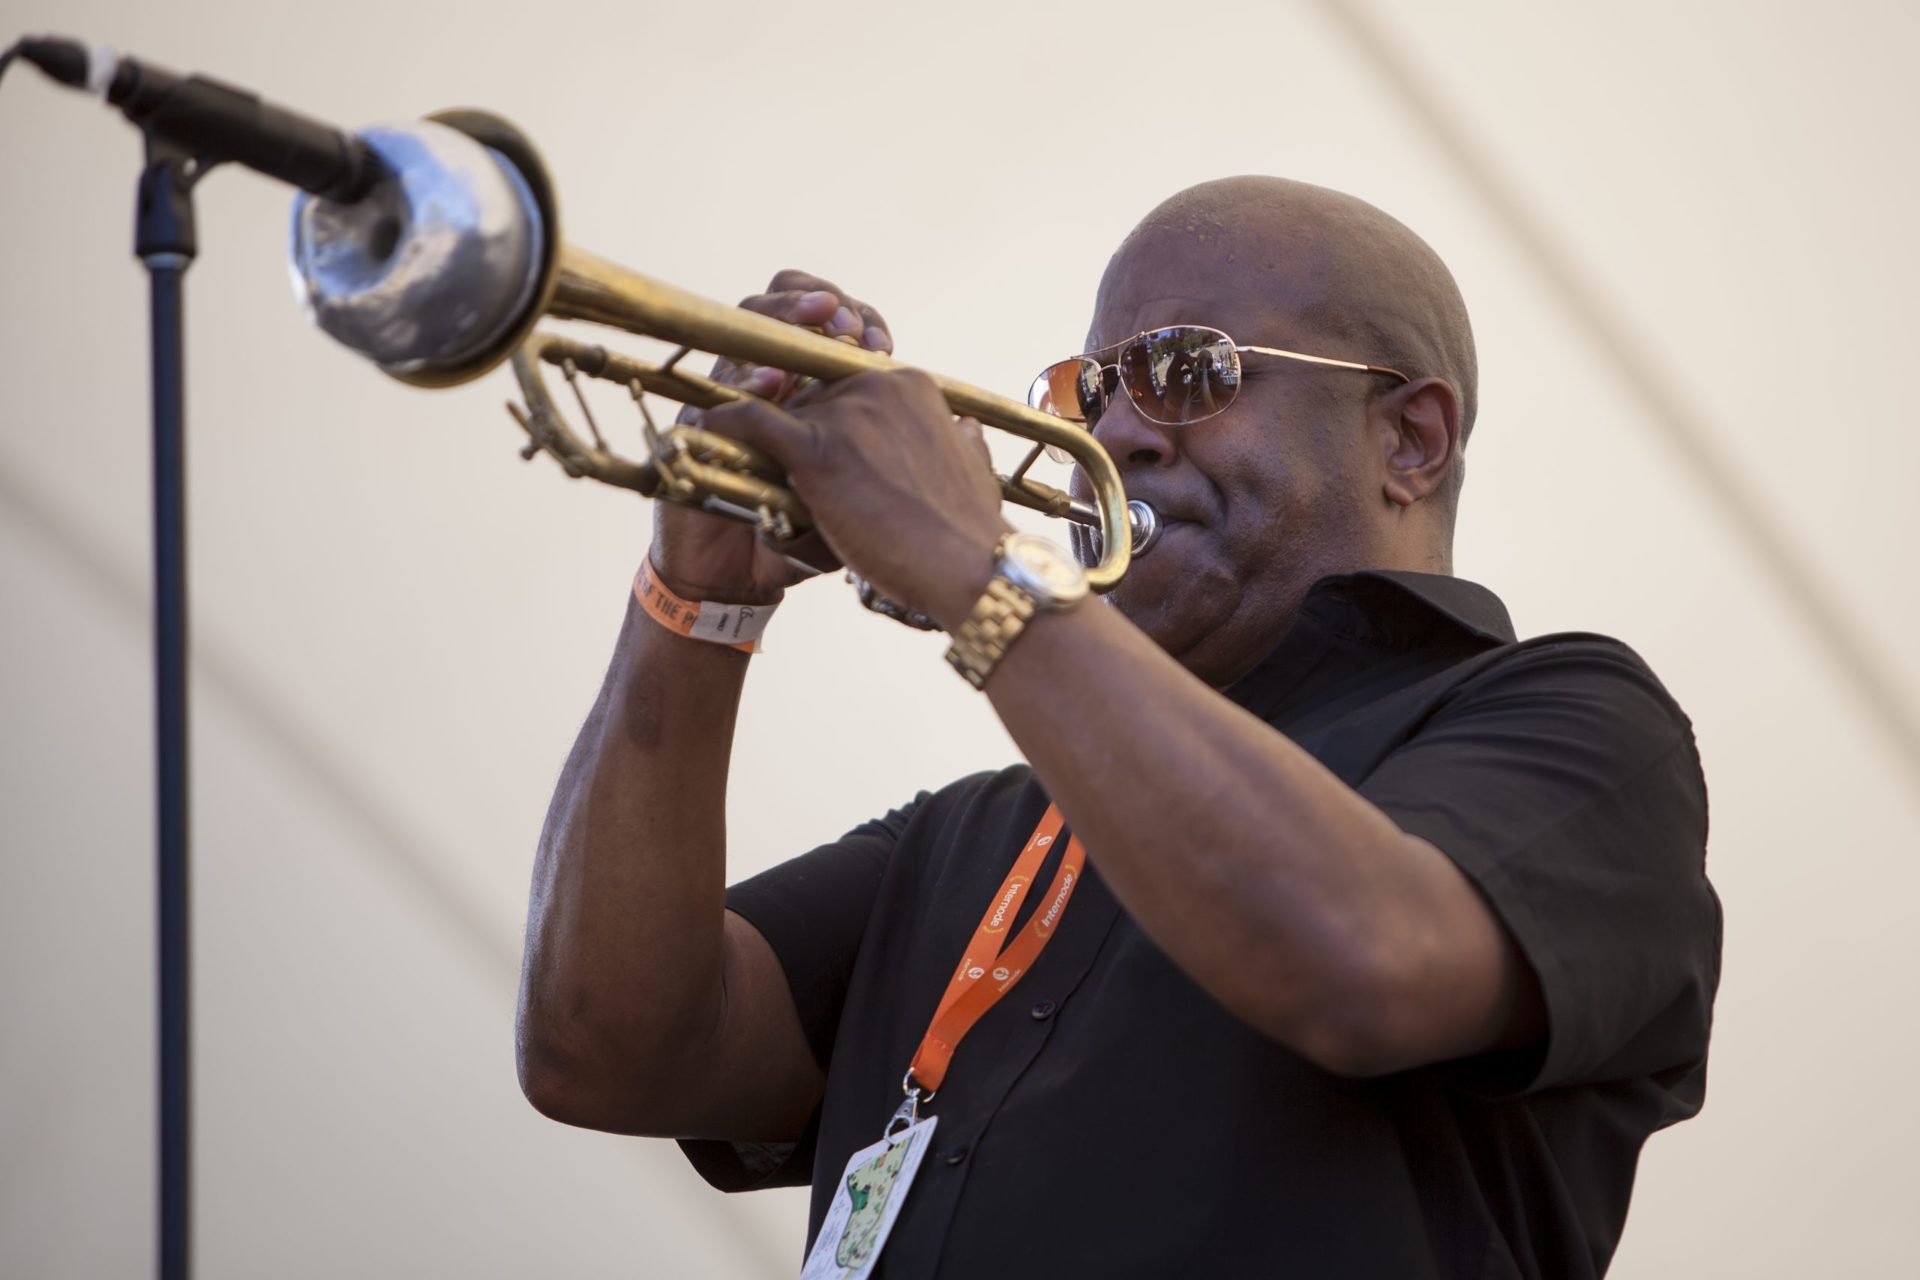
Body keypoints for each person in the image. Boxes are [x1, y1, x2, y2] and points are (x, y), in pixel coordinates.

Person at [514, 176, 1722, 1278]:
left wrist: (967, 561)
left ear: (1409, 439)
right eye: (1092, 388)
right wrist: (696, 591)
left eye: (1183, 372)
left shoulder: (1577, 725)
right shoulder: (976, 829)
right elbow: (598, 1046)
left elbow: (1365, 960)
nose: (1118, 432)